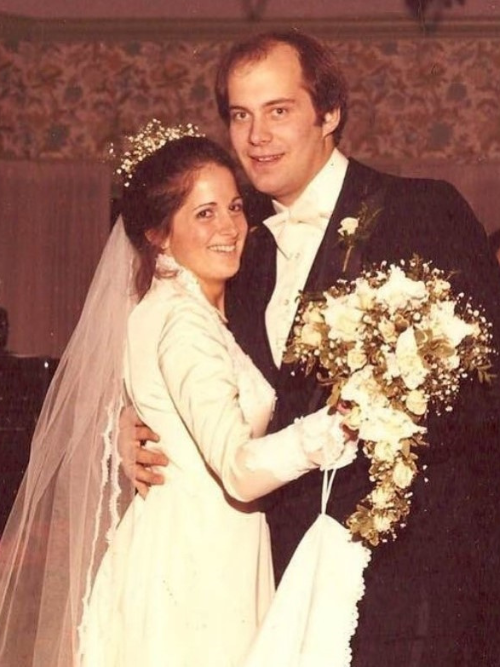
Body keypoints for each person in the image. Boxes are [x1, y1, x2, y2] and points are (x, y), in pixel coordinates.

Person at [135, 30, 500, 666]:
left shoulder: (421, 210)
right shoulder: (231, 247)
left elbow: (485, 394)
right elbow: (197, 370)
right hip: (274, 592)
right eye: (240, 116)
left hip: (414, 593)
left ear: (329, 114)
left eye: (279, 111)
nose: (256, 138)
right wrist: (135, 425)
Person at [0, 133, 355, 667]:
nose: (230, 227)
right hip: (199, 565)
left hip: (181, 544)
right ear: (159, 235)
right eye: (204, 214)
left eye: (234, 207)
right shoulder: (184, 323)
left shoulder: (165, 305)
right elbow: (236, 468)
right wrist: (338, 426)